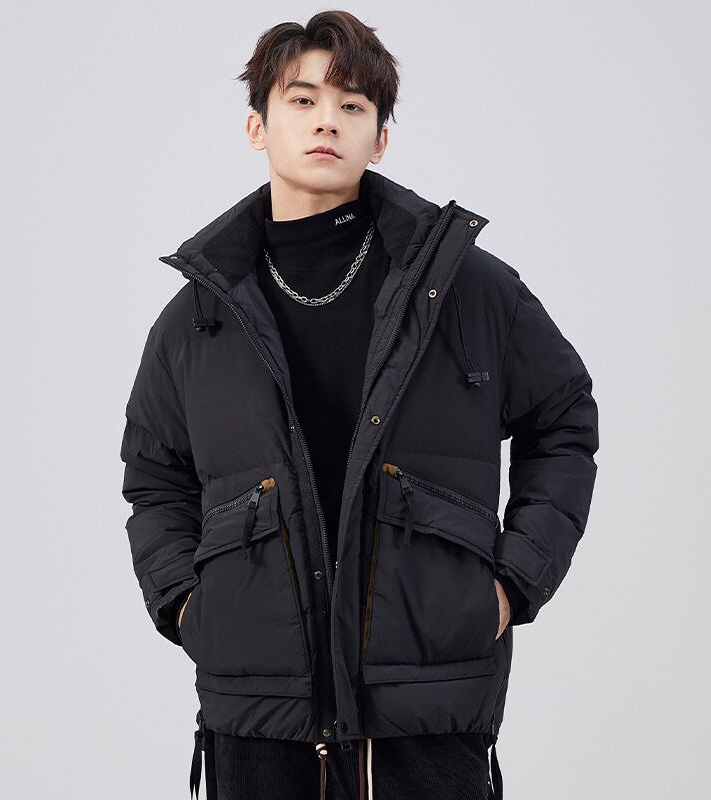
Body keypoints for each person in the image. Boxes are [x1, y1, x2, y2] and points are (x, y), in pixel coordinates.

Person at [120, 10, 599, 800]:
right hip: (258, 715)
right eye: (302, 100)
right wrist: (186, 606)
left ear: (379, 139)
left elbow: (564, 421)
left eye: (352, 105)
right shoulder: (197, 319)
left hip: (426, 704)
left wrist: (514, 583)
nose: (326, 122)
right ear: (257, 126)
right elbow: (155, 477)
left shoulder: (468, 291)